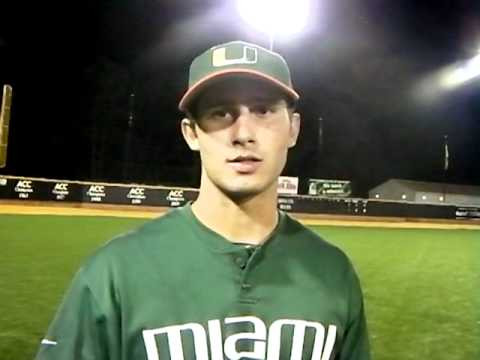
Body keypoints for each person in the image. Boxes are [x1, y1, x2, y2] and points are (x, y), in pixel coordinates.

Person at [35, 40, 370, 360]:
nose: (243, 134)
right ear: (191, 133)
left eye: (263, 110)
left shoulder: (333, 272)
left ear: (293, 129)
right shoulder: (114, 273)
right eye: (221, 113)